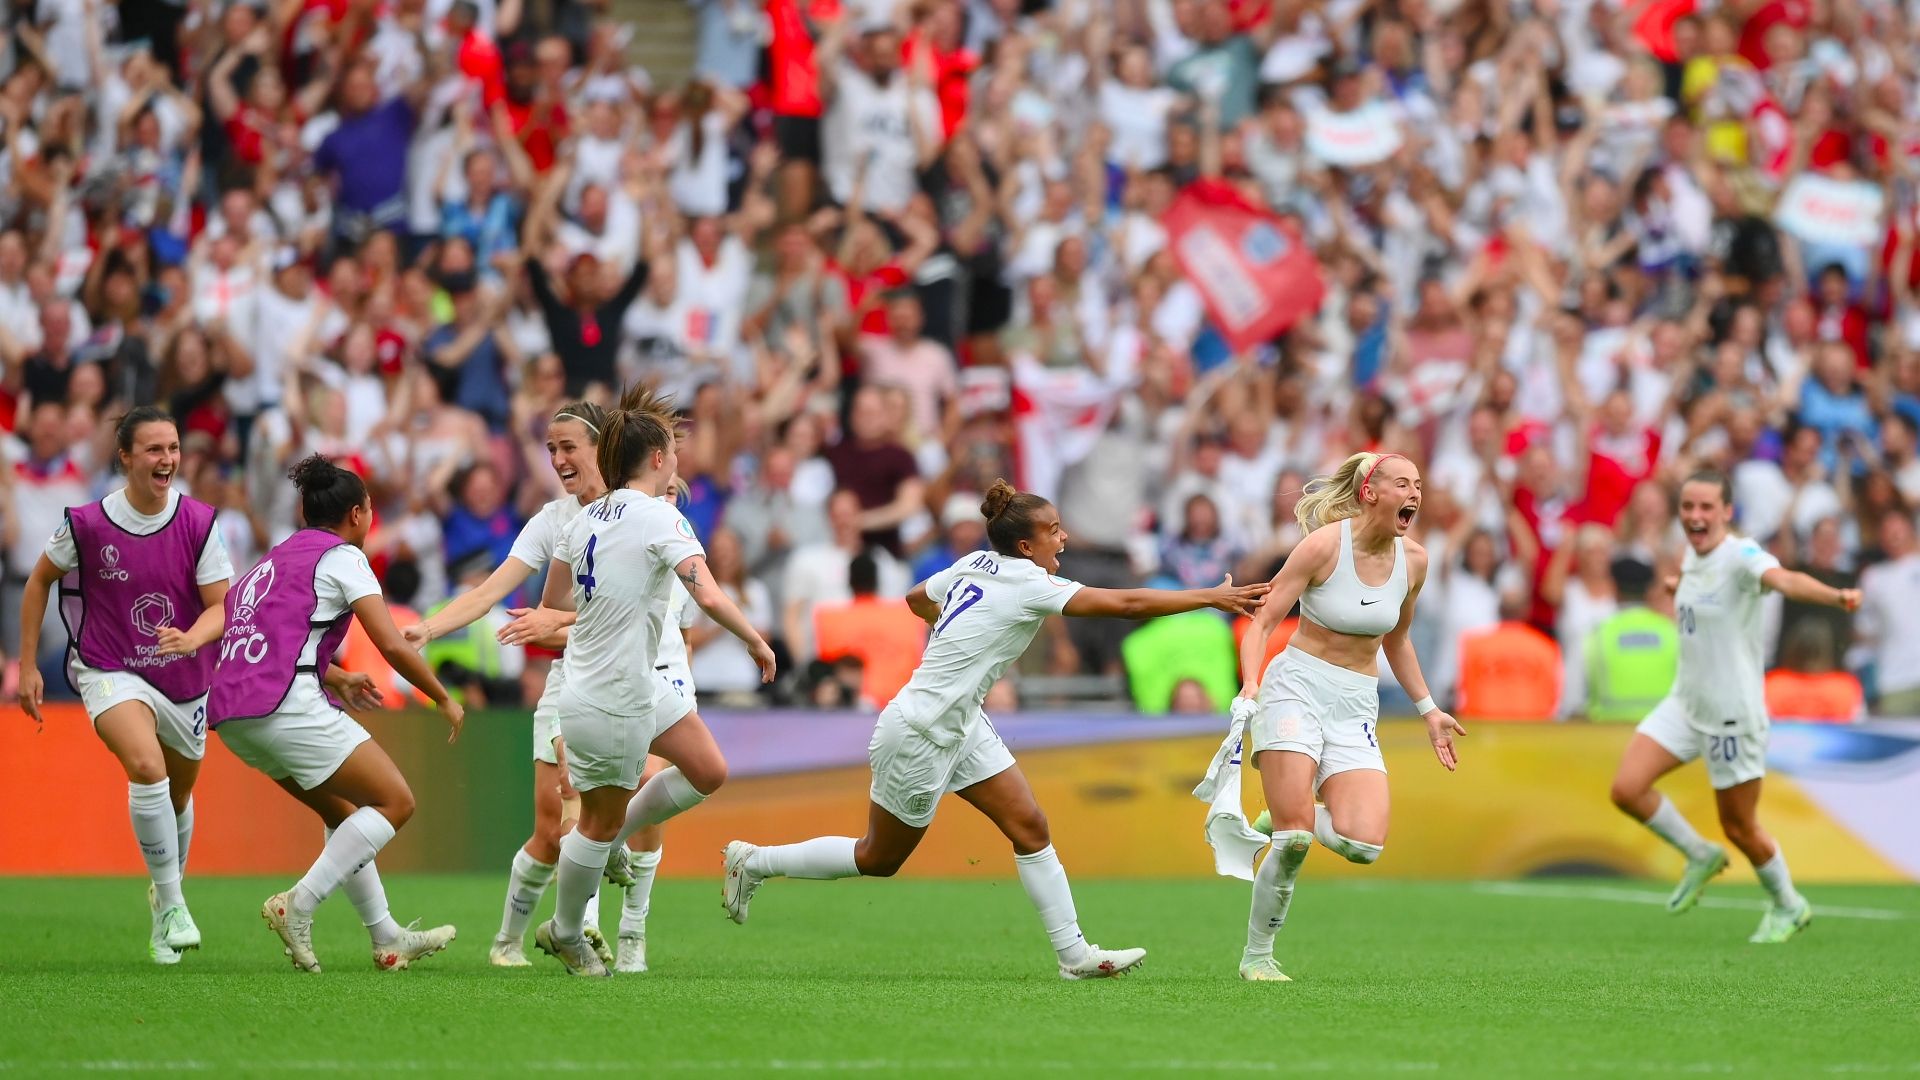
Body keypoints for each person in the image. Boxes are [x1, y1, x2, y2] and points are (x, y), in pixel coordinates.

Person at [719, 479, 1269, 980]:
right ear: (1026, 546)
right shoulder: (1029, 583)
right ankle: (755, 862)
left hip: (962, 722)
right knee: (878, 859)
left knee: (1029, 825)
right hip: (921, 731)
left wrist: (958, 637)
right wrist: (1211, 597)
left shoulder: (975, 562)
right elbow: (1124, 603)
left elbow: (916, 598)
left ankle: (1074, 954)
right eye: (1054, 530)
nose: (1064, 536)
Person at [525, 386, 776, 976]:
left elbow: (553, 603)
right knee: (597, 825)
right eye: (674, 452)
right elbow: (707, 593)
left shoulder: (585, 519)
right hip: (610, 696)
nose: (678, 462)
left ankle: (602, 860)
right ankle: (567, 931)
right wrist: (755, 639)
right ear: (659, 458)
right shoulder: (660, 516)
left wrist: (606, 602)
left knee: (707, 769)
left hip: (628, 683)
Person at [404, 401, 659, 971]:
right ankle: (508, 941)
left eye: (569, 447)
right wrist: (430, 628)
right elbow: (488, 591)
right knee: (552, 828)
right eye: (551, 449)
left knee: (610, 804)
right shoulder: (555, 520)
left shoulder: (641, 514)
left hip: (633, 679)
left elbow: (637, 613)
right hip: (573, 678)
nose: (559, 459)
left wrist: (554, 622)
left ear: (602, 447)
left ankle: (600, 932)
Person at [211, 455, 466, 973]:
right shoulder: (344, 557)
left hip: (233, 713)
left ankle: (387, 938)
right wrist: (442, 696)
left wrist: (337, 676)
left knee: (343, 815)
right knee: (394, 801)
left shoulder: (273, 560)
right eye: (370, 510)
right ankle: (298, 904)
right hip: (285, 704)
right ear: (357, 514)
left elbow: (267, 639)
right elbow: (391, 643)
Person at [1232, 452, 1465, 982]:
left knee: (1363, 845)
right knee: (1294, 842)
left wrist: (1429, 709)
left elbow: (1397, 640)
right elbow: (1263, 621)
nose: (1414, 493)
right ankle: (1258, 956)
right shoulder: (1323, 546)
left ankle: (1284, 811)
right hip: (1296, 688)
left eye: (1418, 485)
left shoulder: (1415, 561)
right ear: (1370, 493)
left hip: (1357, 702)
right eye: (1402, 483)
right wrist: (1251, 684)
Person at [15, 407, 234, 965]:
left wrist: (191, 638)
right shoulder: (87, 523)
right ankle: (173, 906)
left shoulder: (199, 523)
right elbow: (39, 581)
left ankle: (163, 904)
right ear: (126, 457)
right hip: (108, 665)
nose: (167, 459)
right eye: (155, 449)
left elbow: (221, 608)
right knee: (145, 766)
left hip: (183, 676)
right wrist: (28, 665)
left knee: (177, 795)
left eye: (173, 448)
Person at [1605, 470, 1860, 943]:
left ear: (1726, 511)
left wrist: (1835, 596)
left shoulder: (1742, 556)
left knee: (1740, 827)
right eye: (1688, 507)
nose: (1695, 515)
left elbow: (1784, 579)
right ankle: (1699, 854)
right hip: (1686, 702)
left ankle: (1789, 904)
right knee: (1626, 789)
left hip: (1731, 714)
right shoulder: (1692, 556)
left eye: (1706, 507)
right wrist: (1676, 585)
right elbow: (1703, 591)